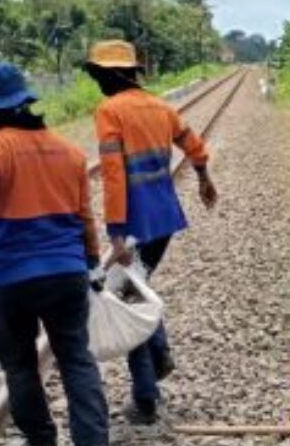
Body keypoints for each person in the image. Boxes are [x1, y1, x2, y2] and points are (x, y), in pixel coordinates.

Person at [0, 63, 109, 446]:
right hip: (67, 272)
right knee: (75, 354)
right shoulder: (69, 152)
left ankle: (42, 441)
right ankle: (93, 444)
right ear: (27, 100)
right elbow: (85, 217)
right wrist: (91, 262)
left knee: (19, 363)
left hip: (12, 279)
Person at [84, 40, 218, 424]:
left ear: (112, 75)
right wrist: (204, 177)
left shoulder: (110, 110)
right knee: (135, 287)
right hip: (163, 218)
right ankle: (158, 356)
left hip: (135, 221)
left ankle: (146, 396)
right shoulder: (161, 107)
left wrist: (115, 233)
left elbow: (113, 176)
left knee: (127, 298)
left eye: (98, 75)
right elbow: (193, 144)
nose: (97, 83)